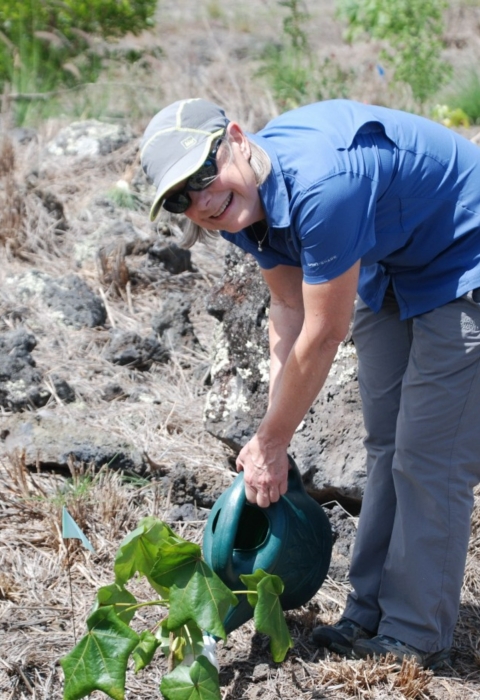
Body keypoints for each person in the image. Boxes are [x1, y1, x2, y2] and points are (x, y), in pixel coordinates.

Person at [140, 97, 480, 669]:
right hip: (393, 257)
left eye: (204, 172)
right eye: (181, 197)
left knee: (430, 457)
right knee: (386, 447)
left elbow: (323, 334)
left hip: (465, 246)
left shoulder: (323, 185)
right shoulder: (236, 207)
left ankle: (415, 635)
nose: (202, 199)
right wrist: (277, 430)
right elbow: (287, 311)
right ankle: (367, 614)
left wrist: (271, 440)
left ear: (237, 140)